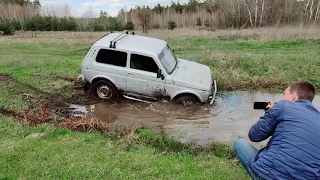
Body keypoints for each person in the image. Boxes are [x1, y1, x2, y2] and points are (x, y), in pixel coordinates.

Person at [234, 81, 320, 180]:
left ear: (293, 96)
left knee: (240, 144)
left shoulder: (283, 106)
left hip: (269, 175)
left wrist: (269, 113)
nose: (282, 98)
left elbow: (254, 135)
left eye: (284, 94)